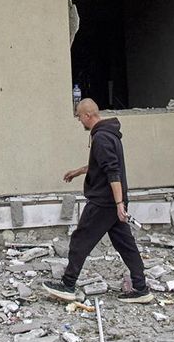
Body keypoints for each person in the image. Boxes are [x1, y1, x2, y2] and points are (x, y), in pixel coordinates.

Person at [42, 99, 153, 304]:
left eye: (78, 116)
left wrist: (119, 205)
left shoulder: (101, 137)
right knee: (125, 244)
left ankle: (68, 285)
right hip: (113, 202)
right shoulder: (109, 134)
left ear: (87, 115)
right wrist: (79, 171)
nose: (78, 121)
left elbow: (113, 171)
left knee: (80, 240)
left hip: (104, 202)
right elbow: (101, 164)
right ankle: (141, 288)